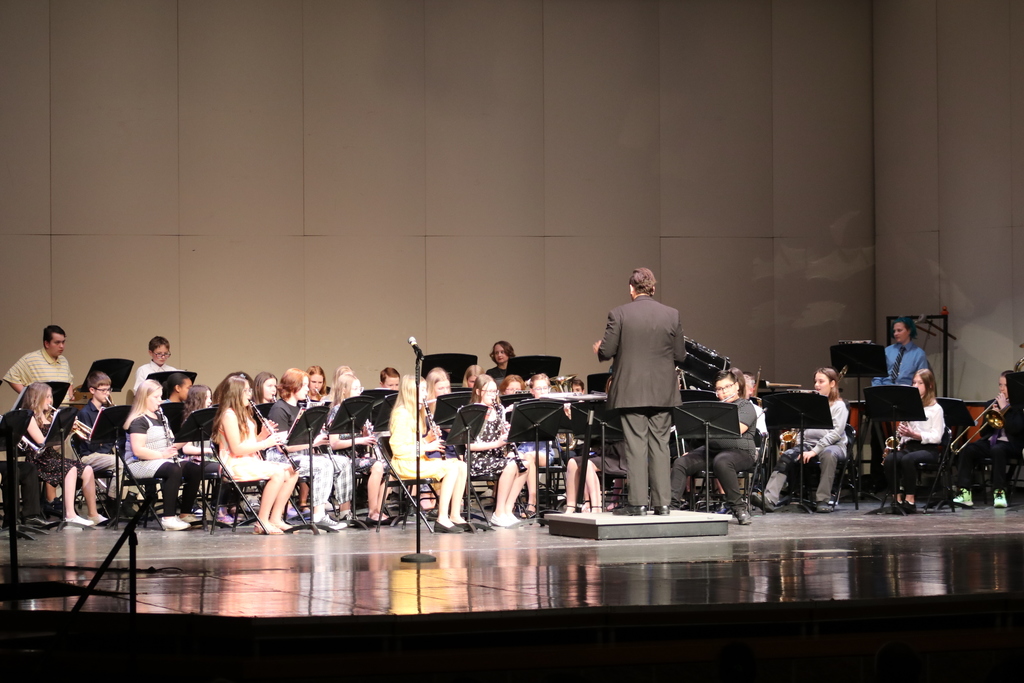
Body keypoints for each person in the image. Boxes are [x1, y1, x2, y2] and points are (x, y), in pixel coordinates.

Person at [594, 267, 686, 517]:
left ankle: (637, 504)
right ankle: (663, 504)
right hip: (662, 391)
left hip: (631, 391)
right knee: (660, 446)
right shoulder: (672, 314)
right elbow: (680, 355)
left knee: (636, 446)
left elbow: (607, 351)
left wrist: (599, 349)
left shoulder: (619, 313)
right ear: (653, 288)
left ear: (631, 289)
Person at [752, 368, 848, 514]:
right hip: (809, 445)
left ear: (832, 383)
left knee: (828, 454)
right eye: (815, 381)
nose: (817, 385)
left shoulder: (839, 406)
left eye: (821, 381)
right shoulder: (812, 404)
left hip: (833, 446)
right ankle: (769, 499)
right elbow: (802, 427)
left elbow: (835, 434)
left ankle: (822, 500)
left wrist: (814, 451)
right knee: (786, 456)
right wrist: (799, 442)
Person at [212, 375, 297, 534]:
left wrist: (262, 436)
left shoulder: (244, 413)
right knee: (278, 473)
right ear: (236, 393)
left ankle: (275, 518)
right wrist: (266, 443)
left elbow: (249, 443)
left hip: (249, 460)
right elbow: (237, 449)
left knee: (293, 471)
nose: (250, 394)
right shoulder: (229, 415)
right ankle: (262, 521)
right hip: (234, 464)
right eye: (246, 391)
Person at [671, 369, 756, 524]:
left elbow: (736, 430)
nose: (723, 392)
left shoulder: (745, 406)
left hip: (741, 452)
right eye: (719, 389)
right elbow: (701, 437)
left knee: (722, 461)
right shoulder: (714, 410)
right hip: (713, 451)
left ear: (737, 386)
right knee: (681, 462)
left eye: (726, 387)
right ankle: (672, 507)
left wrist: (710, 424)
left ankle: (739, 508)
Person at [268, 368, 348, 530]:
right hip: (281, 458)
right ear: (294, 386)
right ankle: (318, 514)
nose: (308, 388)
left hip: (300, 454)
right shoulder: (279, 409)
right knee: (323, 465)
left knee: (341, 462)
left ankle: (344, 511)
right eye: (304, 385)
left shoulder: (300, 407)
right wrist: (313, 443)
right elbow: (284, 447)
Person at [123, 380, 208, 530]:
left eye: (160, 396)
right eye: (156, 397)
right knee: (173, 469)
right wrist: (162, 455)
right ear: (144, 397)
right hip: (139, 463)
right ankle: (169, 518)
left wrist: (190, 434)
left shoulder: (160, 417)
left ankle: (185, 513)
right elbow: (138, 451)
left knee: (194, 468)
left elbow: (171, 445)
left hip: (161, 460)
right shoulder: (138, 420)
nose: (160, 401)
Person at [388, 375, 468, 532]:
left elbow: (413, 441)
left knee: (461, 465)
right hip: (405, 464)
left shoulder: (415, 413)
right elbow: (398, 449)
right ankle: (442, 518)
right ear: (411, 391)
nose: (425, 394)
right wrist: (427, 447)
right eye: (423, 390)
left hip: (416, 460)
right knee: (451, 468)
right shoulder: (402, 414)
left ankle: (455, 515)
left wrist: (428, 439)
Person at [21, 382, 103, 525]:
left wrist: (67, 432)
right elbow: (42, 443)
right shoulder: (30, 418)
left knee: (87, 469)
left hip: (52, 457)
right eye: (47, 397)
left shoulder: (49, 417)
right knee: (70, 469)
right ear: (36, 398)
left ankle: (93, 514)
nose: (50, 400)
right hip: (38, 460)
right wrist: (62, 429)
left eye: (51, 396)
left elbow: (56, 447)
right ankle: (70, 515)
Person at [953, 371, 1023, 509]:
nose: (1002, 389)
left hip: (1012, 444)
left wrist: (1005, 410)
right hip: (992, 442)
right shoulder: (991, 403)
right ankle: (965, 491)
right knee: (969, 449)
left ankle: (999, 492)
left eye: (1006, 386)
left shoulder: (1019, 406)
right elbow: (983, 433)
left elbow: (1016, 429)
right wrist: (992, 418)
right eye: (1000, 385)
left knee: (998, 449)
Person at [467, 376, 529, 527]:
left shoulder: (499, 409)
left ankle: (508, 509)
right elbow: (469, 446)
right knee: (511, 465)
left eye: (494, 391)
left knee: (525, 464)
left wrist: (506, 434)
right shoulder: (473, 412)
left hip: (496, 456)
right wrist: (496, 443)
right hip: (477, 459)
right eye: (488, 391)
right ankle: (498, 513)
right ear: (478, 391)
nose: (492, 395)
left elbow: (500, 438)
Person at [883, 368, 945, 513]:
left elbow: (937, 436)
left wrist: (915, 435)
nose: (915, 386)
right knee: (891, 459)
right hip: (910, 447)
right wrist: (902, 436)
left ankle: (910, 500)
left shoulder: (936, 409)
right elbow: (907, 434)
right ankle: (897, 498)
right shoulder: (910, 406)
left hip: (929, 449)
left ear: (929, 385)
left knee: (908, 459)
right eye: (914, 382)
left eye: (920, 383)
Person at [327, 370, 385, 521]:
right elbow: (334, 443)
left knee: (387, 466)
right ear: (344, 390)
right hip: (342, 458)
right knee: (377, 466)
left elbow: (359, 437)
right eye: (355, 389)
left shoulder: (359, 412)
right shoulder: (337, 411)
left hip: (357, 456)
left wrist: (365, 434)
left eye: (360, 388)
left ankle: (378, 509)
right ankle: (373, 512)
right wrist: (360, 440)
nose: (359, 392)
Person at [71, 370, 118, 493]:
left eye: (108, 390)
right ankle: (112, 499)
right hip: (89, 456)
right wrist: (105, 448)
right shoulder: (84, 413)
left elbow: (112, 438)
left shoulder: (107, 411)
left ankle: (124, 498)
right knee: (120, 463)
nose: (107, 393)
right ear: (92, 390)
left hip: (104, 454)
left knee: (131, 462)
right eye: (103, 390)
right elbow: (89, 444)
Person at [5, 325, 73, 402]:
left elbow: (69, 381)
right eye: (57, 342)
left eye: (63, 342)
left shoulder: (64, 360)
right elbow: (11, 377)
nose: (62, 346)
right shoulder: (31, 358)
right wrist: (29, 397)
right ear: (47, 344)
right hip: (41, 408)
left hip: (64, 407)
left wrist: (71, 396)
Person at [872, 318, 930, 387]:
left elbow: (923, 379)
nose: (895, 334)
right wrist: (877, 389)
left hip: (907, 390)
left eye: (899, 330)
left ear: (909, 331)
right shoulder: (887, 351)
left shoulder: (919, 354)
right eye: (894, 331)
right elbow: (877, 377)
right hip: (884, 388)